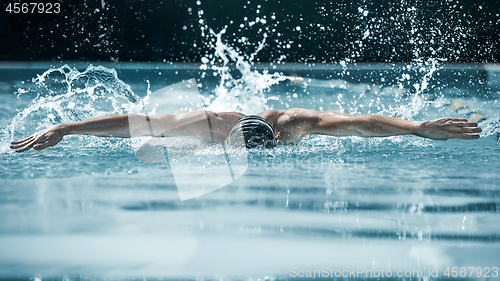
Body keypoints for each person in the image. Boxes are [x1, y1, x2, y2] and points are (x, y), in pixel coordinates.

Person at [10, 108, 481, 152]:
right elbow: (140, 124)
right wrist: (67, 127)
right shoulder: (208, 127)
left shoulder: (297, 126)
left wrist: (419, 127)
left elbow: (363, 123)